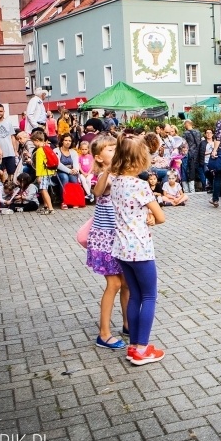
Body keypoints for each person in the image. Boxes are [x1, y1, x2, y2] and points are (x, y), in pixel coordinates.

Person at [108, 134, 166, 365]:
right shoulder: (140, 185)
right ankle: (142, 349)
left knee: (134, 295)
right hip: (140, 248)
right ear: (140, 158)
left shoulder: (116, 182)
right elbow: (161, 217)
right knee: (149, 295)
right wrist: (152, 216)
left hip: (121, 248)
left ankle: (133, 345)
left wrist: (146, 215)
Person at [86, 133, 130, 350]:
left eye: (115, 148)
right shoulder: (103, 175)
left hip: (120, 238)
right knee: (114, 284)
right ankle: (103, 333)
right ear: (99, 157)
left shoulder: (121, 173)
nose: (114, 151)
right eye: (110, 149)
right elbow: (97, 191)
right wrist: (107, 172)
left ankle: (127, 324)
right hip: (104, 239)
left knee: (127, 284)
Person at [30, 130, 56, 215]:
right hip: (49, 171)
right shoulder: (47, 147)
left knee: (43, 190)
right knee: (44, 189)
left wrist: (38, 176)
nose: (33, 144)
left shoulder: (39, 150)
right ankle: (45, 206)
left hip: (43, 173)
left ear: (37, 140)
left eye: (33, 142)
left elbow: (39, 165)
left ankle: (51, 208)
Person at [182, 120, 202, 192]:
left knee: (188, 171)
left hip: (189, 154)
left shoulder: (185, 133)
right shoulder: (198, 132)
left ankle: (188, 189)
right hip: (198, 154)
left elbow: (183, 144)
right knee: (197, 170)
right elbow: (200, 142)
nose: (184, 125)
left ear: (187, 124)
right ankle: (200, 186)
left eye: (184, 124)